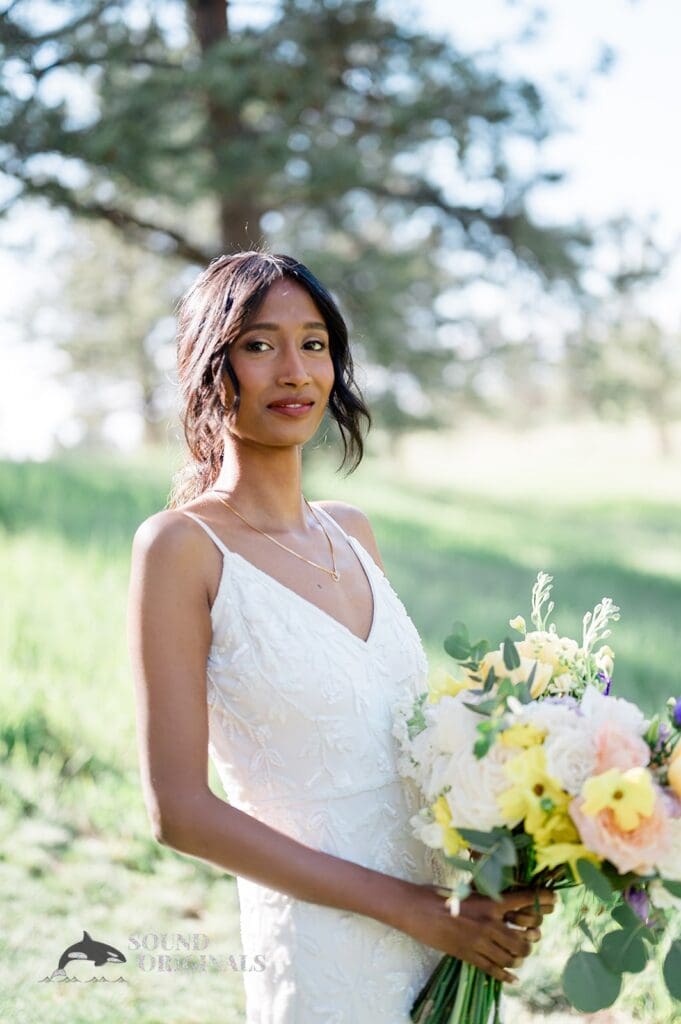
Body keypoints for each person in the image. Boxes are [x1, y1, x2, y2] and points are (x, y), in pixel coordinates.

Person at [127, 251, 555, 1023]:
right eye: (259, 345)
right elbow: (180, 810)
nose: (294, 370)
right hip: (325, 943)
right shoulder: (179, 548)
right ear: (207, 367)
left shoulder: (352, 532)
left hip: (446, 932)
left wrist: (509, 863)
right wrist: (410, 908)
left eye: (314, 343)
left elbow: (401, 744)